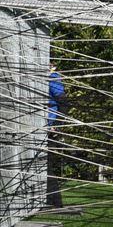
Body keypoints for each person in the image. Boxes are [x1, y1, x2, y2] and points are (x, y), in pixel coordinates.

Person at [46, 67, 66, 208]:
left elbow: (63, 102)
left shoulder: (52, 78)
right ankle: (50, 201)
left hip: (48, 129)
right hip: (39, 128)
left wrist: (57, 125)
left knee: (45, 164)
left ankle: (55, 202)